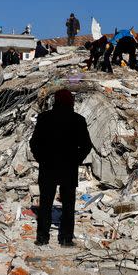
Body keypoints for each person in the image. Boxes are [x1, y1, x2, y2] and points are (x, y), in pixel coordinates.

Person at [29, 89, 93, 246]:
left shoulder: (44, 118)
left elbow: (34, 143)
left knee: (45, 204)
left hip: (48, 167)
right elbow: (86, 145)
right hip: (68, 169)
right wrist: (76, 160)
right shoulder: (78, 120)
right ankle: (65, 239)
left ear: (55, 101)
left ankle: (42, 238)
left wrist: (41, 158)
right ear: (71, 102)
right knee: (68, 205)